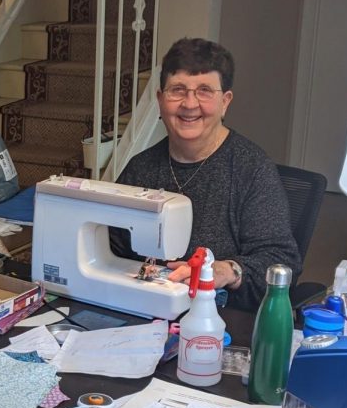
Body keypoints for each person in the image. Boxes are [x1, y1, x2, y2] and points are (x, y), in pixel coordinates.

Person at [110, 38, 302, 310]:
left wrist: (227, 271)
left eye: (204, 91)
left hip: (222, 320)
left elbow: (281, 263)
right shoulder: (140, 168)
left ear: (225, 102)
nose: (189, 104)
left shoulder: (252, 170)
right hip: (146, 310)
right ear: (160, 100)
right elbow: (111, 243)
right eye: (177, 90)